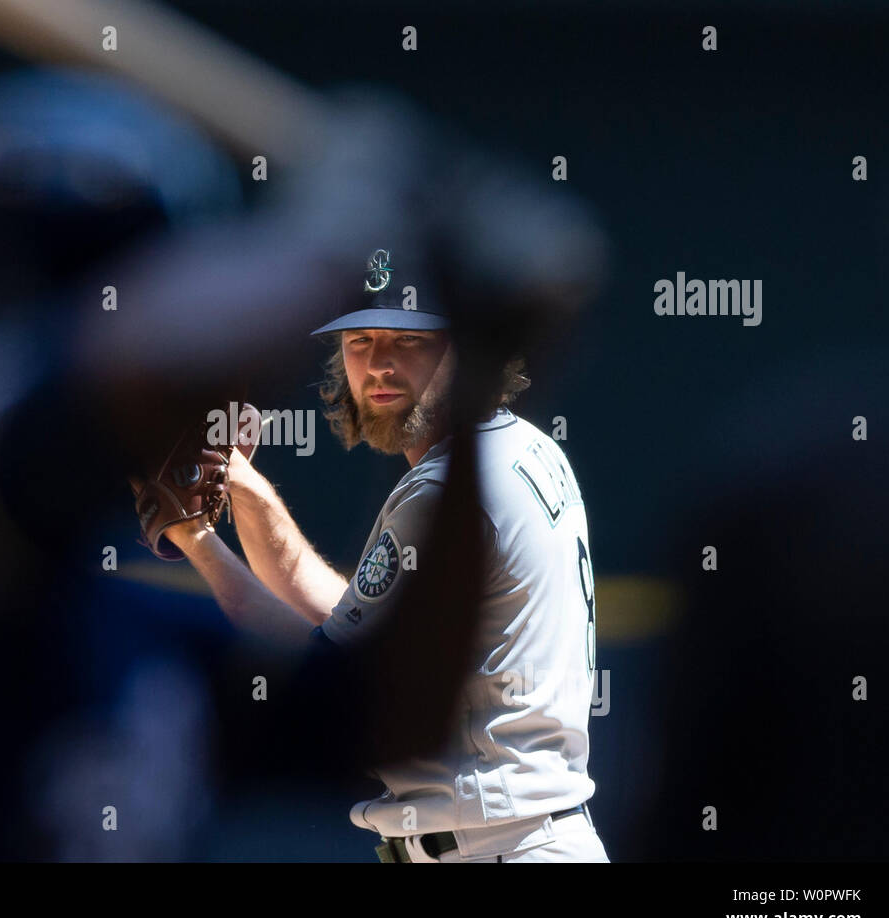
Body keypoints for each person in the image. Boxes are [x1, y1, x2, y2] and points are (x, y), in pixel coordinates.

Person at [160, 245, 609, 862]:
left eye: (409, 341)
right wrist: (240, 480)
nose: (378, 364)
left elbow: (314, 682)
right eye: (361, 340)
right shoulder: (526, 450)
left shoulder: (440, 490)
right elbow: (341, 615)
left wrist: (196, 540)